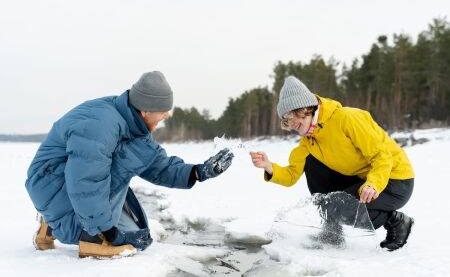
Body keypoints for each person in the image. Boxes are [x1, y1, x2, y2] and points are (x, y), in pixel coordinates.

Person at [26, 71, 234, 258]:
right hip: (50, 183)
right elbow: (86, 179)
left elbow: (157, 165)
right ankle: (90, 237)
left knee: (136, 238)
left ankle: (51, 224)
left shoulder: (133, 125)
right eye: (162, 110)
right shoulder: (101, 125)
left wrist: (198, 172)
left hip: (68, 186)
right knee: (102, 231)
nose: (166, 115)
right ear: (145, 110)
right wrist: (104, 232)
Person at [250, 76, 414, 251]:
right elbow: (291, 175)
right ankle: (332, 231)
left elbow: (381, 155)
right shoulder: (308, 141)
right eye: (285, 120)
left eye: (290, 117)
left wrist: (373, 184)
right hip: (362, 180)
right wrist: (268, 166)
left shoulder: (347, 118)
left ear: (303, 108)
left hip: (393, 180)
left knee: (342, 208)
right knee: (312, 163)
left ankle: (395, 220)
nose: (290, 124)